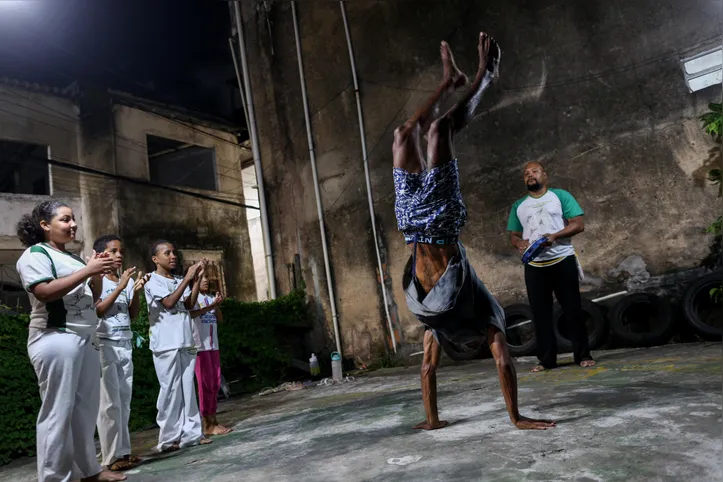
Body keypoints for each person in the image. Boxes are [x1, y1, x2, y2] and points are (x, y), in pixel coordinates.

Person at [393, 33, 555, 431]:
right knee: (439, 130)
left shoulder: (436, 328)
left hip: (411, 224)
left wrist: (432, 421)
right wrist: (516, 418)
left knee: (402, 134)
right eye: (470, 346)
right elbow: (504, 361)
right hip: (442, 221)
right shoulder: (490, 315)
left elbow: (427, 374)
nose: (467, 345)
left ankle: (449, 82)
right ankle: (485, 75)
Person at [15, 201, 126, 482]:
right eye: (65, 219)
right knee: (58, 413)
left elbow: (93, 294)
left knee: (84, 411)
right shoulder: (35, 254)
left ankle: (89, 471)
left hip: (85, 338)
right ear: (45, 225)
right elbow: (44, 292)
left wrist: (97, 271)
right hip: (56, 336)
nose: (73, 224)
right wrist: (88, 271)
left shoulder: (75, 259)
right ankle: (54, 477)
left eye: (73, 219)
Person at [507, 162, 596, 372]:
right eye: (526, 173)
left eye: (535, 171)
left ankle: (583, 355)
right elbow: (514, 234)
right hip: (535, 265)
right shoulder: (519, 205)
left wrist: (555, 236)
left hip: (562, 259)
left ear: (544, 176)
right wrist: (519, 244)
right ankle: (547, 360)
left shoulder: (560, 196)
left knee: (572, 309)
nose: (530, 175)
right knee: (540, 313)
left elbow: (578, 224)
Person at [144, 240, 212, 452]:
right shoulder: (152, 281)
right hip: (166, 344)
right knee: (170, 391)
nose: (173, 256)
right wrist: (189, 278)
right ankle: (168, 439)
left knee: (188, 390)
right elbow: (169, 303)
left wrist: (197, 277)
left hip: (185, 340)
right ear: (156, 259)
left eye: (174, 252)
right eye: (167, 253)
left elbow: (189, 305)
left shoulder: (179, 279)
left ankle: (192, 434)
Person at [94, 234, 150, 471]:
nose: (119, 255)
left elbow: (133, 314)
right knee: (108, 404)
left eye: (121, 251)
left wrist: (134, 290)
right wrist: (121, 286)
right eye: (113, 251)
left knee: (123, 402)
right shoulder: (96, 280)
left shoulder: (123, 280)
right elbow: (98, 310)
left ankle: (124, 452)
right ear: (101, 254)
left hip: (124, 343)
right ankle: (110, 457)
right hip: (105, 344)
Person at [191, 273, 232, 436]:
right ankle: (207, 423)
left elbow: (219, 319)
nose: (206, 280)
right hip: (200, 347)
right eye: (202, 277)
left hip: (213, 345)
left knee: (215, 384)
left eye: (207, 277)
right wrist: (210, 307)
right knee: (204, 385)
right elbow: (192, 313)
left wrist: (217, 305)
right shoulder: (191, 298)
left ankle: (214, 420)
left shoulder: (209, 297)